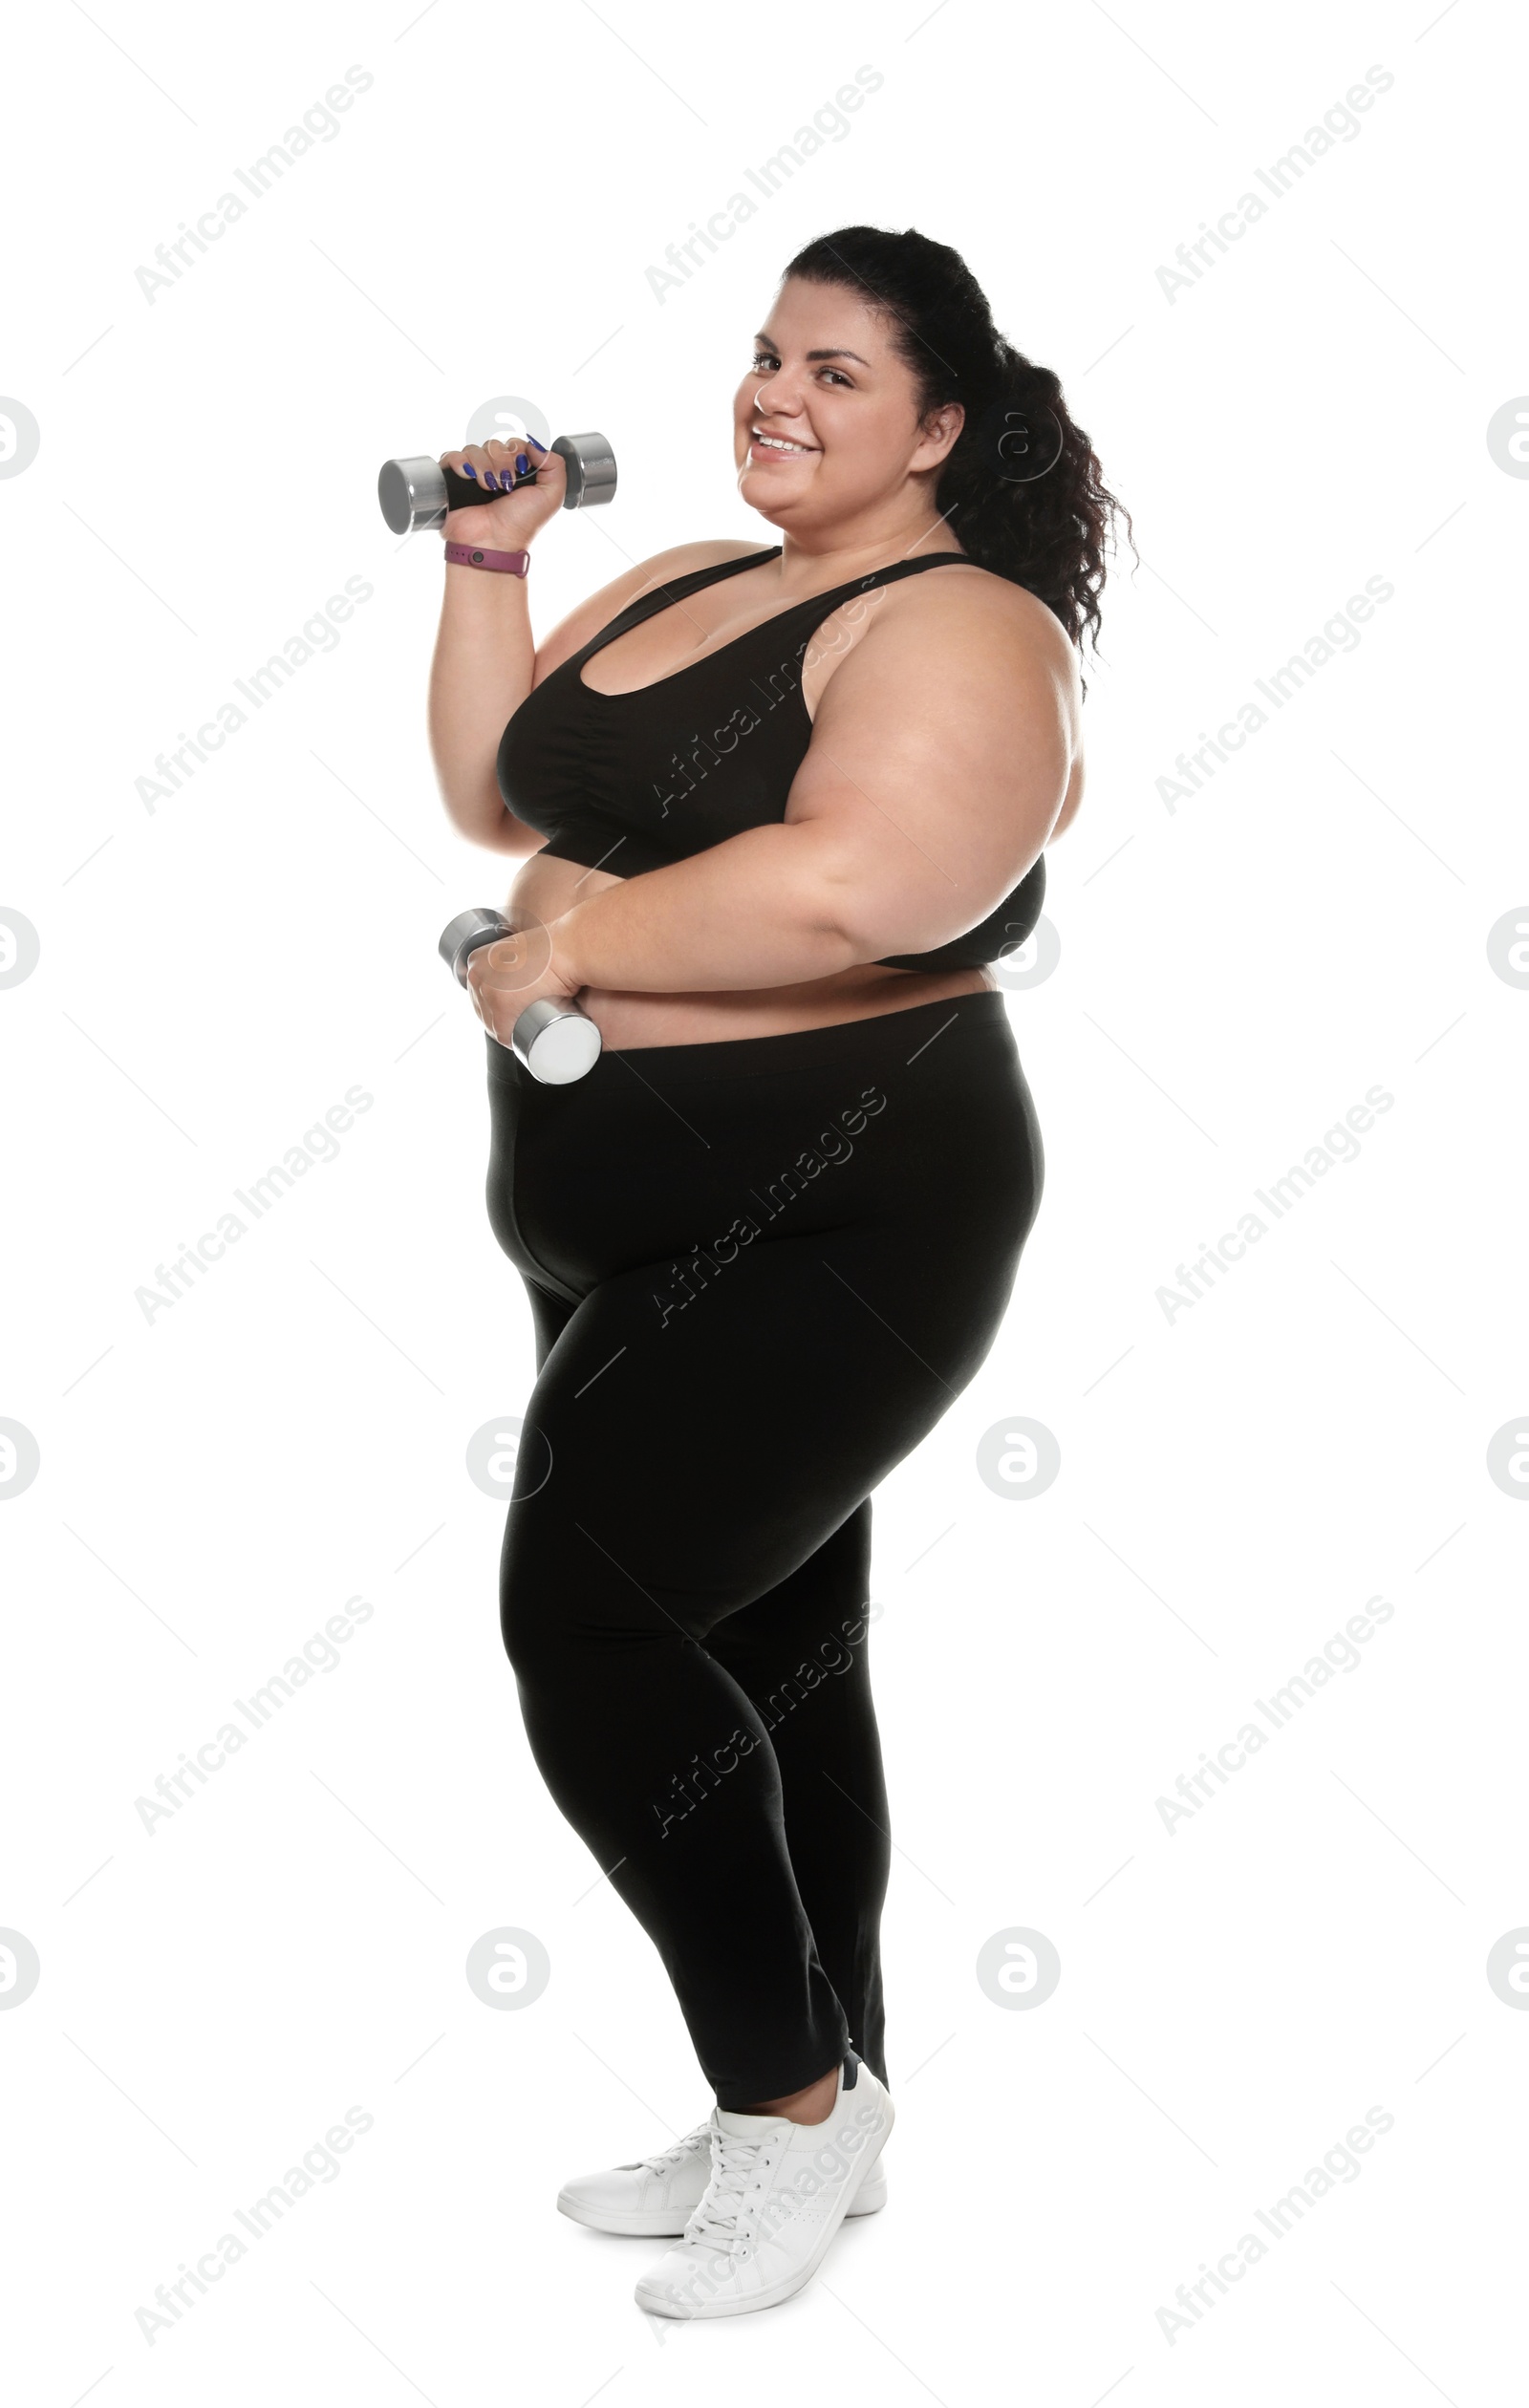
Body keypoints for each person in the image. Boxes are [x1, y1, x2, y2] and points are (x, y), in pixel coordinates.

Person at [425, 224, 1130, 2320]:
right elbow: (493, 792)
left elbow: (862, 889)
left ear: (940, 426)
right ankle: (842, 2100)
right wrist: (490, 575)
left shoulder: (966, 626)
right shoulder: (688, 587)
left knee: (592, 1618)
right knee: (772, 1639)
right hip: (607, 1203)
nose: (774, 394)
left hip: (846, 1200)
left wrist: (568, 949)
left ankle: (788, 2110)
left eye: (835, 370)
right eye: (762, 355)